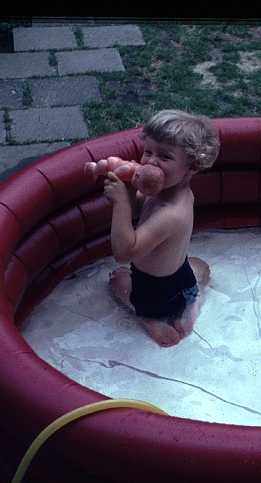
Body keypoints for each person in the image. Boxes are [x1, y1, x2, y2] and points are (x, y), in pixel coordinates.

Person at [91, 110, 220, 347]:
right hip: (183, 279)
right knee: (201, 266)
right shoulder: (172, 191)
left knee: (117, 279)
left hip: (153, 294)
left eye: (164, 156)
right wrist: (129, 188)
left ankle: (149, 318)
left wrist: (119, 202)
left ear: (192, 166)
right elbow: (138, 209)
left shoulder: (170, 214)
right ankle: (193, 299)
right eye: (148, 152)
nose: (150, 161)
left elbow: (124, 253)